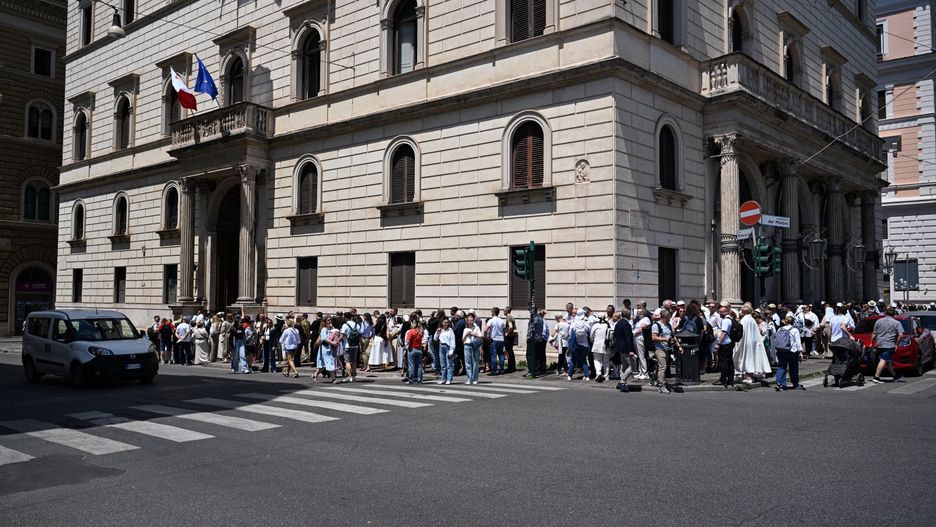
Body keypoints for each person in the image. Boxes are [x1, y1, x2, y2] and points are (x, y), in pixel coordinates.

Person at [734, 305, 771, 384]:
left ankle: (749, 377)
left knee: (747, 358)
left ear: (744, 311)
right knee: (751, 358)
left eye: (741, 310)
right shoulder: (752, 319)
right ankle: (749, 375)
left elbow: (742, 331)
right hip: (753, 342)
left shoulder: (745, 319)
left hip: (746, 342)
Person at [871, 307, 904, 384]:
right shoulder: (896, 323)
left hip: (879, 343)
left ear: (885, 313)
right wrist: (897, 344)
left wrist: (871, 342)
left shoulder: (878, 321)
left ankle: (895, 376)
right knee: (884, 359)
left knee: (887, 360)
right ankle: (876, 377)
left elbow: (874, 333)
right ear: (894, 314)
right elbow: (901, 335)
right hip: (889, 344)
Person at [773, 315, 804, 390]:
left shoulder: (780, 329)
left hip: (781, 350)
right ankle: (795, 383)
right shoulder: (794, 330)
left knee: (781, 367)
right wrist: (800, 352)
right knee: (793, 368)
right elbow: (798, 342)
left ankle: (780, 383)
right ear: (793, 322)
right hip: (792, 351)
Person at [650, 309, 674, 394]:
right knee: (663, 366)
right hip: (659, 349)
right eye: (669, 317)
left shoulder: (668, 325)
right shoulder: (656, 325)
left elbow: (672, 336)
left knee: (659, 366)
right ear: (665, 317)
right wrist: (664, 339)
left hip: (666, 349)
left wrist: (678, 346)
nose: (670, 318)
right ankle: (661, 385)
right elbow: (653, 338)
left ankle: (653, 379)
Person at [612, 311, 636, 392]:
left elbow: (615, 335)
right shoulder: (627, 324)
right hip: (626, 348)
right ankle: (622, 381)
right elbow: (628, 338)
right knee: (632, 366)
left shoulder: (618, 323)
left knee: (625, 366)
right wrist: (631, 350)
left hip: (619, 347)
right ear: (628, 315)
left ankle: (623, 382)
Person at [567, 309, 592, 382]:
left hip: (576, 344)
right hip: (585, 344)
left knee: (573, 360)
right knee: (583, 360)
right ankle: (587, 376)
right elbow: (589, 332)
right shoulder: (586, 322)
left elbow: (570, 334)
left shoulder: (573, 322)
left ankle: (569, 375)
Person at [314, 316, 341, 383]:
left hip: (330, 349)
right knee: (330, 363)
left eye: (330, 320)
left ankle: (315, 375)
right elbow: (324, 339)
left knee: (322, 366)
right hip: (325, 349)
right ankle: (333, 379)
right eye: (328, 320)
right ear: (325, 322)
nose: (330, 321)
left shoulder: (330, 329)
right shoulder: (324, 329)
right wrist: (332, 343)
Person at [714, 303, 735, 387]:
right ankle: (730, 379)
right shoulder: (730, 319)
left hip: (725, 343)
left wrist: (718, 343)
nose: (720, 313)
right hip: (729, 343)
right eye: (719, 312)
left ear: (727, 312)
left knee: (724, 362)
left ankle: (723, 379)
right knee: (729, 361)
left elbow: (724, 332)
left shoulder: (726, 320)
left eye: (722, 312)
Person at [485, 307, 507, 376]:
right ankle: (502, 369)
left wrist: (486, 337)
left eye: (491, 311)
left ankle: (494, 370)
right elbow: (503, 331)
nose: (491, 312)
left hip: (494, 339)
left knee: (493, 356)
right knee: (501, 355)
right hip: (501, 339)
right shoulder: (501, 321)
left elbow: (485, 330)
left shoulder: (491, 320)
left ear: (493, 312)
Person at [462, 313, 483, 384]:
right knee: (468, 363)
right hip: (467, 346)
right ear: (467, 321)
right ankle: (469, 378)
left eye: (472, 319)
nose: (470, 321)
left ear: (473, 320)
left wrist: (474, 334)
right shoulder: (465, 329)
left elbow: (481, 337)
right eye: (469, 320)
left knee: (475, 362)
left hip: (475, 346)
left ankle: (475, 378)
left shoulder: (477, 328)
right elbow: (463, 339)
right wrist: (466, 334)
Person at [590, 313, 612, 382]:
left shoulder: (595, 325)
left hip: (597, 345)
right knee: (606, 361)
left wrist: (593, 341)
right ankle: (606, 376)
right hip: (606, 345)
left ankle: (598, 374)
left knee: (597, 360)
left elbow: (591, 336)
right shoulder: (607, 325)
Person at [435, 317, 456, 384]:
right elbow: (435, 339)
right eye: (444, 322)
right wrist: (437, 332)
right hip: (441, 346)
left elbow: (453, 341)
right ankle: (443, 378)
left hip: (448, 347)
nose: (446, 324)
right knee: (443, 364)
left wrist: (451, 351)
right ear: (442, 323)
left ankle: (449, 379)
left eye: (447, 322)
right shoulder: (440, 330)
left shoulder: (450, 330)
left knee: (449, 364)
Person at [405, 316, 425, 384]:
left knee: (411, 365)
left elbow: (408, 341)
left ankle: (411, 379)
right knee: (419, 365)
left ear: (414, 323)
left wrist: (406, 347)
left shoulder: (411, 332)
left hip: (412, 349)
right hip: (419, 349)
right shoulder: (420, 332)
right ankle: (420, 380)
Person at [341, 313, 361, 382]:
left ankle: (349, 377)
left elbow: (342, 336)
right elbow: (359, 335)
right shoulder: (357, 325)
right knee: (354, 361)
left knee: (347, 361)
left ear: (345, 318)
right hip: (355, 345)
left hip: (347, 345)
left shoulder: (345, 325)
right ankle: (354, 376)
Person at [504, 306, 517, 373]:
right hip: (512, 336)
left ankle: (510, 367)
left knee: (508, 352)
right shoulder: (511, 317)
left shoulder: (509, 318)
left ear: (507, 311)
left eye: (504, 310)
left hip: (509, 337)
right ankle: (512, 366)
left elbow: (511, 326)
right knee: (510, 351)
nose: (503, 311)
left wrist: (507, 333)